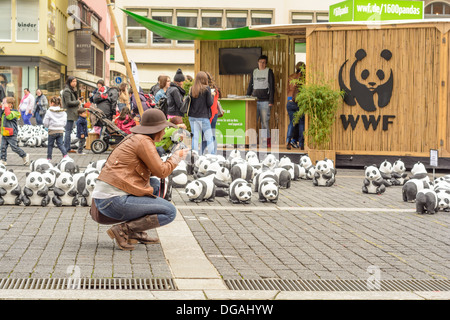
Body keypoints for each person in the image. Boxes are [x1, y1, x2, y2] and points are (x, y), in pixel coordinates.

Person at [91, 108, 189, 251]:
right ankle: (122, 230)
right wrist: (177, 157)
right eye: (163, 128)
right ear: (157, 129)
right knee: (170, 212)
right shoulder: (143, 141)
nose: (164, 132)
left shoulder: (136, 138)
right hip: (112, 201)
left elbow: (154, 171)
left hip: (105, 199)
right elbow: (162, 171)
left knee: (154, 185)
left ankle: (134, 232)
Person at [246, 54, 275, 148]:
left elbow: (272, 86)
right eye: (260, 62)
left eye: (263, 62)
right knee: (253, 121)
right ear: (258, 63)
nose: (262, 64)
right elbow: (251, 84)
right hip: (254, 101)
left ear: (266, 63)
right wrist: (247, 96)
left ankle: (266, 141)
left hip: (265, 101)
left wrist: (271, 101)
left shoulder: (269, 72)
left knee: (264, 122)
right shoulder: (254, 72)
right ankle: (253, 141)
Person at [188, 71, 215, 155]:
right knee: (208, 137)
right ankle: (212, 156)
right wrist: (212, 95)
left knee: (195, 138)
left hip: (192, 116)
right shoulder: (207, 88)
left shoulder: (192, 88)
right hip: (203, 117)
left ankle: (194, 156)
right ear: (205, 79)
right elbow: (209, 103)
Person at [0, 97, 30, 166]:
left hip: (12, 133)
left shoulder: (15, 112)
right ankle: (3, 160)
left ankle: (24, 155)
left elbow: (9, 116)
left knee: (14, 147)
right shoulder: (4, 111)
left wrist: (6, 108)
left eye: (5, 103)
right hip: (5, 133)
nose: (4, 104)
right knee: (2, 147)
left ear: (11, 104)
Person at [286, 61, 306, 150]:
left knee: (292, 123)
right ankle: (301, 144)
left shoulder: (291, 77)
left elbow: (288, 90)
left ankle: (288, 142)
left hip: (290, 101)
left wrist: (290, 99)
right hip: (300, 102)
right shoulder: (305, 78)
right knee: (301, 123)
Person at [43, 96, 68, 161]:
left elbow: (45, 122)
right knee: (60, 144)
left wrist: (47, 126)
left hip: (52, 130)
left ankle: (49, 158)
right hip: (60, 130)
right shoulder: (63, 112)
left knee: (50, 145)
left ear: (51, 103)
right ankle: (65, 155)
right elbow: (65, 122)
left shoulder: (49, 111)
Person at [202, 72, 221, 154]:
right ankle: (214, 153)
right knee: (212, 135)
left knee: (204, 136)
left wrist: (210, 117)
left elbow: (211, 105)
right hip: (214, 114)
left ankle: (201, 153)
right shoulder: (215, 89)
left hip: (208, 115)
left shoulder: (206, 90)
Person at [62, 76, 82, 153]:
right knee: (68, 131)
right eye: (73, 81)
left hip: (71, 113)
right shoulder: (67, 91)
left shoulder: (71, 90)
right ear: (69, 82)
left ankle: (67, 147)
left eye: (75, 81)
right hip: (69, 114)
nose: (75, 83)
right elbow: (68, 103)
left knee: (69, 131)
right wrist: (78, 102)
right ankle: (67, 148)